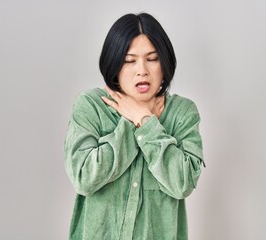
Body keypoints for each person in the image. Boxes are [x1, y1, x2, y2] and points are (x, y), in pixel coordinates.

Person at [64, 12, 204, 240]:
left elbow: (183, 182)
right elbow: (83, 177)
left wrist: (146, 122)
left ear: (164, 62)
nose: (142, 70)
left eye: (152, 58)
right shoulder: (90, 106)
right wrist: (131, 122)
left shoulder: (182, 113)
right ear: (114, 63)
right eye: (130, 60)